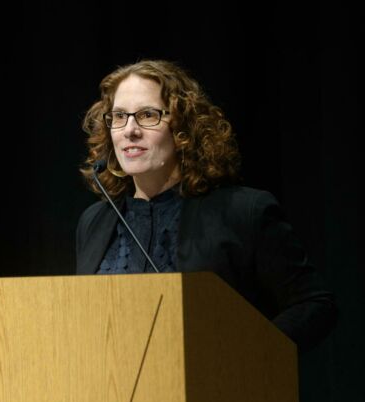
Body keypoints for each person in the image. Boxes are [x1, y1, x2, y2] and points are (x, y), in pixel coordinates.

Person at [76, 59, 336, 351]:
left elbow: (314, 304)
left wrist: (247, 356)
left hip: (217, 391)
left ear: (183, 127)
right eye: (119, 116)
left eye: (148, 115)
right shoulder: (95, 221)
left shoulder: (243, 211)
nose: (130, 130)